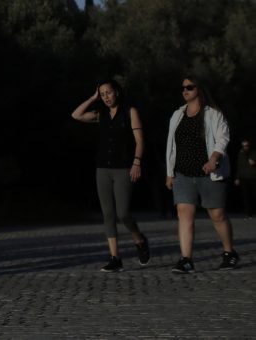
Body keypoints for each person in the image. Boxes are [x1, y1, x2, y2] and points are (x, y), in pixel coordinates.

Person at [71, 79, 151, 272]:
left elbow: (140, 141)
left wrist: (136, 162)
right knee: (108, 214)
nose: (106, 97)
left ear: (117, 92)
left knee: (123, 214)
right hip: (102, 169)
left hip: (123, 168)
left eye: (108, 92)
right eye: (102, 94)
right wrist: (92, 98)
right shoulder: (101, 115)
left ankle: (139, 240)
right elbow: (76, 115)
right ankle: (115, 258)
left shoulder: (130, 112)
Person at [165, 76, 239, 273]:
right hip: (183, 174)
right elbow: (171, 146)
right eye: (183, 88)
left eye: (189, 87)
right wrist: (169, 172)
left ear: (199, 88)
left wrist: (214, 159)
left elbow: (223, 139)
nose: (185, 90)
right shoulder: (177, 114)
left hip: (210, 173)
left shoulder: (214, 114)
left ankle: (229, 252)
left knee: (217, 214)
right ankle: (186, 259)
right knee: (184, 214)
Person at [234, 138, 256, 218]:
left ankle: (253, 211)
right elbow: (239, 166)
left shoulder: (253, 153)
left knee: (254, 195)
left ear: (249, 145)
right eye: (243, 146)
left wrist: (253, 162)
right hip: (243, 177)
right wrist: (237, 178)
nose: (245, 147)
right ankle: (248, 213)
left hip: (253, 177)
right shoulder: (240, 154)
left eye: (246, 145)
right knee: (245, 196)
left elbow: (253, 163)